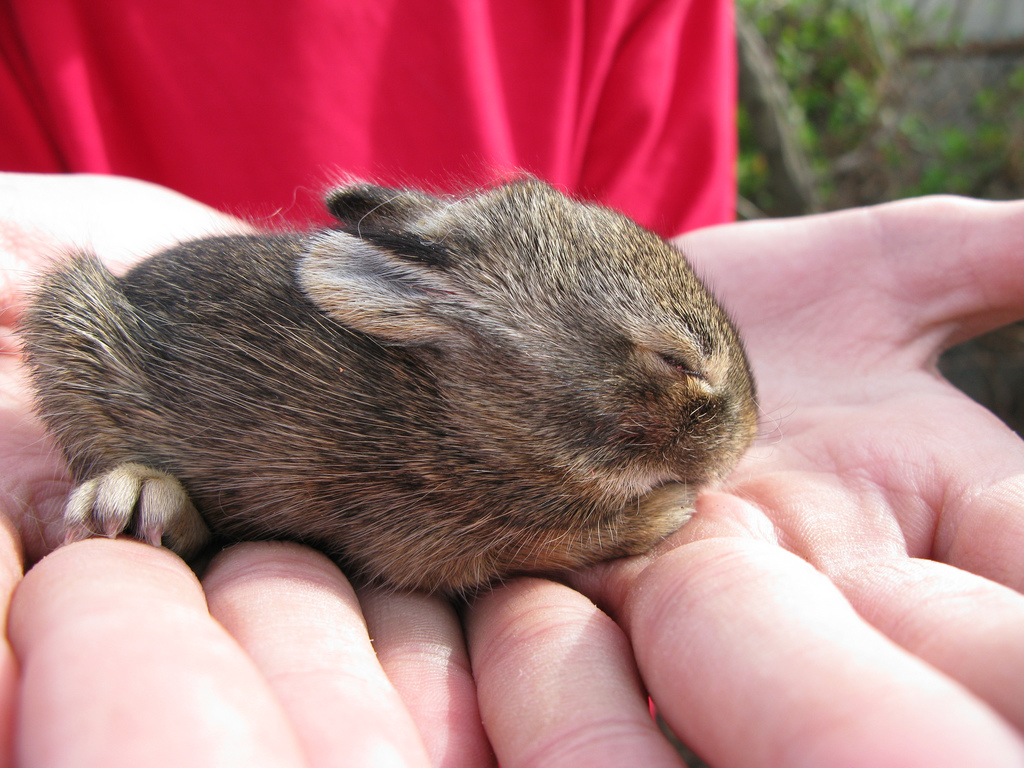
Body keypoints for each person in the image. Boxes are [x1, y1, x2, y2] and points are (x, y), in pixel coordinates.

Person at [2, 4, 1024, 768]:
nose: (717, 423)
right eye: (674, 371)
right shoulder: (440, 435)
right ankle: (143, 480)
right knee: (74, 315)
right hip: (158, 360)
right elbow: (416, 548)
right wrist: (602, 529)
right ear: (455, 319)